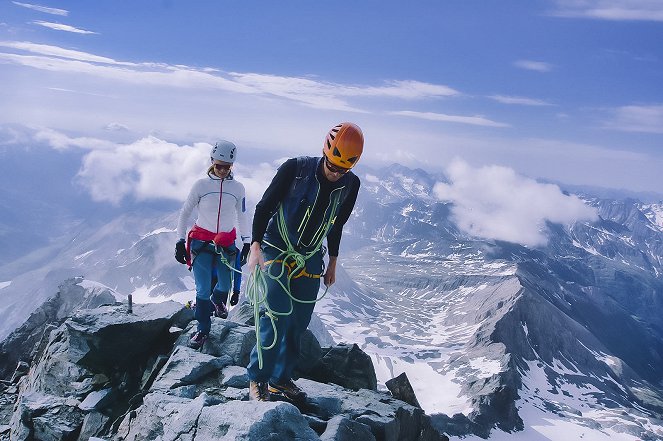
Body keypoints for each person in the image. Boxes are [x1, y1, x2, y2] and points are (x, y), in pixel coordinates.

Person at [245, 122, 363, 401]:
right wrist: (255, 246)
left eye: (342, 170)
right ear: (325, 152)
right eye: (332, 166)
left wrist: (333, 261)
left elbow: (336, 225)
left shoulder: (350, 184)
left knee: (299, 320)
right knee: (276, 315)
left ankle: (280, 379)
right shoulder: (295, 169)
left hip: (310, 255)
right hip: (275, 247)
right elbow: (264, 207)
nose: (335, 174)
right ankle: (257, 379)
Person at [175, 140, 251, 349]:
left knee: (224, 286)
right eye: (219, 166)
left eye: (227, 167)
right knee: (201, 291)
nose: (222, 171)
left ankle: (217, 299)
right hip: (201, 243)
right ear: (211, 162)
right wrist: (180, 241)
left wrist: (246, 241)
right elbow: (185, 213)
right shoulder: (201, 185)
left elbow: (241, 215)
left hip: (226, 243)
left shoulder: (238, 188)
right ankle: (202, 330)